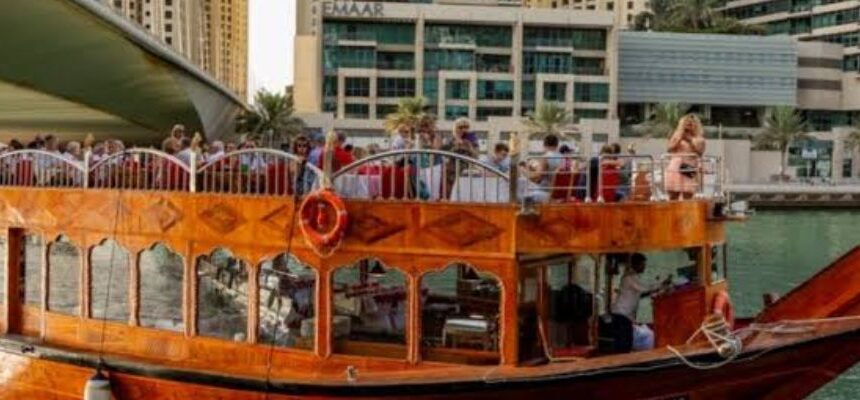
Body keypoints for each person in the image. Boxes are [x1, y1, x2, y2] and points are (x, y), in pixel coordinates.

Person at [611, 253, 670, 351]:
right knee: (623, 344)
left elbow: (640, 294)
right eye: (643, 265)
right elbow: (644, 288)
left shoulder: (633, 277)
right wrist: (661, 284)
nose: (644, 267)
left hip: (625, 315)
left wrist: (659, 290)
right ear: (637, 264)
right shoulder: (629, 278)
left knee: (626, 342)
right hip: (621, 315)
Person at [665, 114, 706, 200]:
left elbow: (700, 152)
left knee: (688, 193)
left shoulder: (699, 138)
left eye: (690, 124)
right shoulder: (676, 135)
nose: (688, 126)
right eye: (686, 124)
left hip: (689, 165)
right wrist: (679, 139)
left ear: (695, 125)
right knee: (673, 193)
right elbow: (669, 149)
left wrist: (690, 140)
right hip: (675, 166)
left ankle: (686, 211)